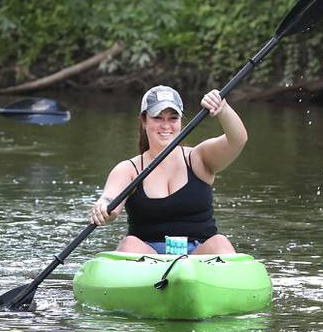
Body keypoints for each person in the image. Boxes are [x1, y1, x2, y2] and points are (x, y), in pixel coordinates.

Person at [90, 85, 247, 255]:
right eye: (158, 118)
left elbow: (237, 140)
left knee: (220, 242)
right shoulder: (128, 169)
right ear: (144, 121)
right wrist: (103, 206)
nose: (166, 126)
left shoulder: (198, 158)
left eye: (173, 118)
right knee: (129, 244)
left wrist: (223, 109)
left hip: (200, 256)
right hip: (148, 256)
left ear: (180, 121)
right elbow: (110, 199)